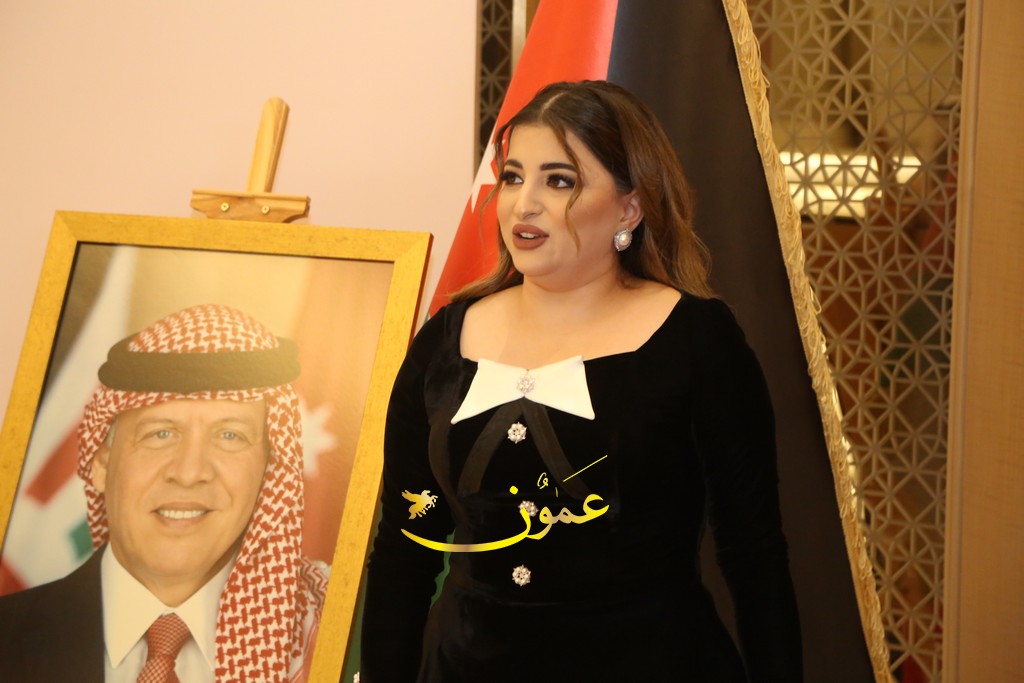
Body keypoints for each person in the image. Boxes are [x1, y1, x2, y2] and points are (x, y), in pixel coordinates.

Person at [361, 80, 802, 682]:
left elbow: (753, 552)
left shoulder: (697, 341)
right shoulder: (444, 339)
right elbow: (404, 548)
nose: (524, 204)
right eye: (513, 177)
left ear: (629, 209)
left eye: (559, 181)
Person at [0, 304, 328, 683]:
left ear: (268, 472)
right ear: (101, 464)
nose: (189, 473)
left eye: (230, 436)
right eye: (160, 433)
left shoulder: (325, 636)